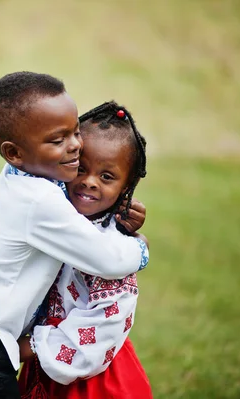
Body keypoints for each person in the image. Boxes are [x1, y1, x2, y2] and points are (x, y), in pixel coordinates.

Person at [0, 72, 149, 398]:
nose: (75, 145)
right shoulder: (40, 200)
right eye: (57, 140)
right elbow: (107, 259)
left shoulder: (21, 176)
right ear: (14, 152)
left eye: (75, 132)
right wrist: (139, 248)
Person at [18, 101, 152, 399]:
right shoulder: (49, 216)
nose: (89, 182)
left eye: (106, 176)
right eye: (81, 167)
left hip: (90, 376)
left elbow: (103, 327)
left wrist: (28, 347)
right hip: (43, 368)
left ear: (126, 188)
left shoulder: (112, 252)